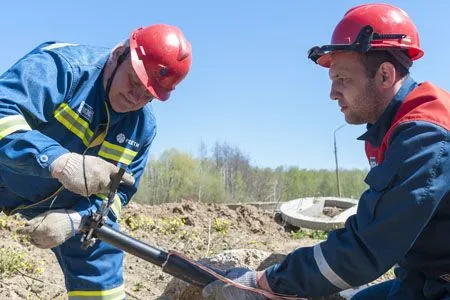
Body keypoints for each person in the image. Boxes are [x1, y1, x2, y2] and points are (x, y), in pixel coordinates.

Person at [203, 3, 450, 299]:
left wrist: (266, 282)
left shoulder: (426, 135)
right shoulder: (390, 129)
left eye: (342, 79)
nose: (332, 93)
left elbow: (368, 247)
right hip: (423, 280)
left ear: (384, 75)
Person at [0, 24, 192, 299]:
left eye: (147, 94)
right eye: (134, 81)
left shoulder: (143, 129)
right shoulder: (64, 68)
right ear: (119, 54)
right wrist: (60, 162)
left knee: (100, 248)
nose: (135, 97)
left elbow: (118, 194)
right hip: (6, 166)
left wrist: (74, 220)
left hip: (63, 206)